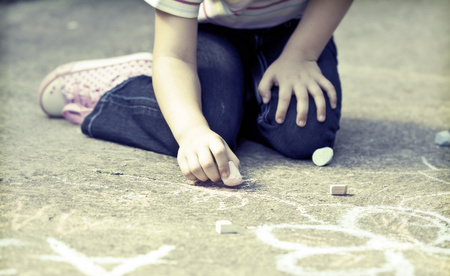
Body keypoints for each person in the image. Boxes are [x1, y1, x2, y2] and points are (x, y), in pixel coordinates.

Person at [38, 0, 353, 184]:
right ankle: (121, 91)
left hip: (294, 30)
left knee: (303, 134)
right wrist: (192, 131)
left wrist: (302, 54)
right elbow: (175, 57)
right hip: (210, 35)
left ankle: (234, 96)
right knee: (209, 130)